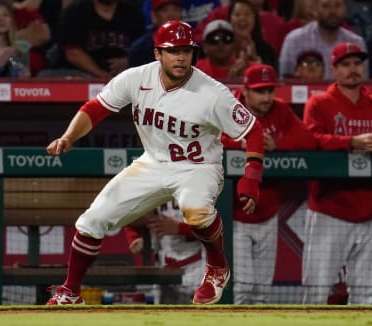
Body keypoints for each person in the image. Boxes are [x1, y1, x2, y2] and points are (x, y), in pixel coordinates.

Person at [44, 20, 265, 305]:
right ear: (157, 53)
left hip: (198, 166)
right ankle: (71, 291)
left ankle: (217, 267)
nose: (181, 57)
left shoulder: (213, 93)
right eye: (174, 51)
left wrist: (252, 176)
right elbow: (95, 109)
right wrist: (69, 136)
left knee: (195, 210)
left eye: (187, 50)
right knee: (92, 220)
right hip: (153, 162)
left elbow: (253, 131)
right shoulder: (135, 79)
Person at [302, 42, 372, 305]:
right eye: (345, 64)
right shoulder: (319, 104)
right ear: (334, 69)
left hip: (369, 214)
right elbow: (310, 140)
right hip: (329, 211)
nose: (353, 69)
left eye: (357, 63)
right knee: (317, 292)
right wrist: (350, 142)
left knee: (365, 296)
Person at [222, 64, 317, 304]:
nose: (266, 97)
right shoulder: (229, 108)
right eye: (259, 91)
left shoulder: (280, 110)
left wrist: (278, 142)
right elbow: (209, 138)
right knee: (242, 289)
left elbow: (307, 138)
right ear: (245, 91)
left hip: (268, 214)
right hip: (235, 217)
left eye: (269, 90)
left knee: (262, 293)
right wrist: (243, 143)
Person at [124, 200, 206, 304]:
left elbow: (216, 225)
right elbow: (130, 216)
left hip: (197, 268)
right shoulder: (153, 186)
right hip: (163, 269)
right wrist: (134, 238)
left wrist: (180, 228)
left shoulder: (199, 186)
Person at [41, 0, 146, 79]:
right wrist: (100, 74)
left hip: (122, 75)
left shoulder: (133, 14)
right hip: (81, 74)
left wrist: (128, 61)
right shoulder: (75, 12)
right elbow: (73, 53)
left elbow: (142, 49)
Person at [279, 0, 367, 80]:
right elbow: (286, 81)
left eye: (337, 5)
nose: (332, 11)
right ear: (315, 9)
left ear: (345, 8)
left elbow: (364, 82)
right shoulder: (294, 40)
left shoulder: (356, 43)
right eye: (326, 6)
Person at [128, 0, 183, 67]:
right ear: (154, 16)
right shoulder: (139, 49)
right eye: (164, 10)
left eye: (176, 10)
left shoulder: (192, 45)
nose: (171, 15)